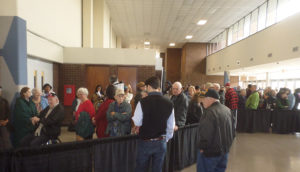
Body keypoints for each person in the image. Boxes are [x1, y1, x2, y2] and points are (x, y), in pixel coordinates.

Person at [132, 76, 175, 172]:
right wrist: (166, 139)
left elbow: (137, 121)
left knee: (141, 168)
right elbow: (171, 126)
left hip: (145, 141)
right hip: (161, 141)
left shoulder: (142, 102)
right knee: (157, 169)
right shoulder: (169, 103)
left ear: (148, 87)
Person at [197, 89, 233, 172]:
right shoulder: (227, 110)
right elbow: (232, 130)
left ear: (210, 99)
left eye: (204, 99)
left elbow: (206, 133)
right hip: (224, 151)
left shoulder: (209, 112)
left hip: (210, 153)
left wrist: (202, 147)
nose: (203, 102)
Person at [0, 86, 12, 150]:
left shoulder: (4, 101)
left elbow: (8, 113)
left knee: (6, 143)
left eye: (0, 91)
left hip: (4, 124)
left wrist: (6, 121)